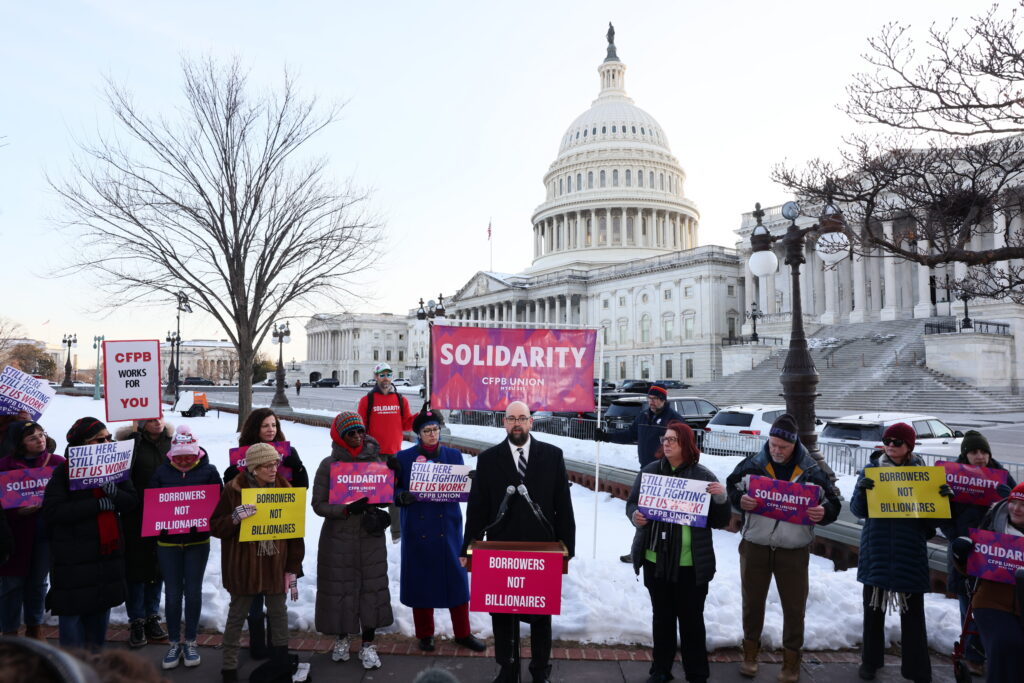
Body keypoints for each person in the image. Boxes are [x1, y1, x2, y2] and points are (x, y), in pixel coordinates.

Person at [462, 401, 576, 683]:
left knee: (541, 614)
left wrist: (568, 547)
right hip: (501, 548)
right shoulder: (488, 459)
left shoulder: (552, 456)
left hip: (543, 550)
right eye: (512, 418)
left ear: (531, 422)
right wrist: (468, 547)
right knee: (502, 614)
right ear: (504, 422)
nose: (517, 423)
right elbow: (477, 507)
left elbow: (563, 504)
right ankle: (507, 668)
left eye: (522, 418)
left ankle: (540, 671)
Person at [725, 413, 842, 682]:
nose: (776, 451)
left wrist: (822, 513)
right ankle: (750, 654)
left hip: (794, 548)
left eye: (782, 447)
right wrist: (739, 500)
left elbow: (833, 503)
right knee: (752, 602)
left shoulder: (812, 470)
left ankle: (791, 661)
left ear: (794, 445)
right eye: (773, 445)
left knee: (794, 606)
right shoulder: (753, 464)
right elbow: (731, 487)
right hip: (756, 545)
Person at [626, 420, 731, 683]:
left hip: (691, 564)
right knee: (662, 620)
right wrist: (635, 516)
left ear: (686, 444)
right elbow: (632, 504)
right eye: (665, 439)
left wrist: (720, 498)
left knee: (691, 622)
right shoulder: (650, 472)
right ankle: (660, 670)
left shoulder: (703, 476)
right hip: (655, 559)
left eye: (673, 439)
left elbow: (719, 521)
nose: (667, 443)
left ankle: (696, 674)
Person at [850, 422, 954, 682]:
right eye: (888, 440)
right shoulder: (872, 470)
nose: (891, 446)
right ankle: (870, 662)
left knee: (913, 615)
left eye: (897, 442)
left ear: (909, 446)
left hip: (910, 550)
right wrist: (863, 491)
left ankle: (917, 669)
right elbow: (858, 510)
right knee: (873, 612)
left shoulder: (923, 475)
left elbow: (931, 524)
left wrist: (944, 501)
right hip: (878, 548)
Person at [210, 442, 304, 683]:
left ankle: (281, 662)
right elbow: (215, 526)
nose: (274, 469)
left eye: (275, 463)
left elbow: (294, 534)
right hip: (243, 567)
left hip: (275, 564)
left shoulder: (286, 489)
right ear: (253, 468)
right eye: (267, 465)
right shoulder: (234, 490)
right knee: (237, 615)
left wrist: (293, 569)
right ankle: (229, 667)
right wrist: (234, 518)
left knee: (278, 614)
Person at [43, 417, 139, 651]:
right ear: (83, 444)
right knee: (72, 617)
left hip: (107, 554)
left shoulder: (117, 469)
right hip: (74, 557)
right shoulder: (64, 472)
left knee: (99, 614)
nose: (108, 442)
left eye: (109, 438)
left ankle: (95, 665)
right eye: (100, 439)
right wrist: (96, 506)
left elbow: (132, 503)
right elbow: (54, 511)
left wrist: (114, 493)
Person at [395, 408, 486, 653]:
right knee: (421, 581)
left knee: (456, 580)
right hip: (418, 527)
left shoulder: (454, 456)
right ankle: (425, 634)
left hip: (448, 526)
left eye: (436, 429)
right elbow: (391, 489)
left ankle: (463, 633)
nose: (432, 434)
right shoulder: (403, 458)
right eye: (427, 431)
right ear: (418, 434)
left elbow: (462, 487)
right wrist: (400, 496)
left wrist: (472, 482)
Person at [311, 411, 395, 671]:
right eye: (351, 433)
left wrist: (390, 498)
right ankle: (342, 638)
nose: (358, 436)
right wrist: (346, 510)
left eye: (360, 431)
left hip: (369, 536)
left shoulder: (378, 461)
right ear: (340, 436)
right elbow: (318, 504)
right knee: (341, 590)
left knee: (371, 589)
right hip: (339, 538)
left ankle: (368, 643)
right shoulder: (329, 465)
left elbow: (386, 495)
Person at [223, 408, 308, 660]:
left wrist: (298, 467)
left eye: (273, 425)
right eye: (264, 426)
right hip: (249, 543)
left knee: (276, 601)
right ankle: (257, 645)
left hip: (278, 535)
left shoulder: (288, 453)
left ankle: (277, 650)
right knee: (252, 602)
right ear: (254, 429)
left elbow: (299, 494)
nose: (270, 429)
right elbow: (229, 500)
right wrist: (228, 477)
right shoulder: (242, 457)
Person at [939, 429, 1015, 677]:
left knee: (993, 608)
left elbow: (1018, 512)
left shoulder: (1001, 477)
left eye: (983, 451)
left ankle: (991, 653)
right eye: (974, 452)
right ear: (965, 454)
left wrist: (1010, 499)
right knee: (967, 604)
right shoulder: (952, 476)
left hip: (995, 554)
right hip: (965, 551)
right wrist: (954, 534)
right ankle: (972, 655)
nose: (979, 456)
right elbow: (941, 515)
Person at [148, 425, 223, 670]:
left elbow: (218, 503)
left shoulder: (210, 471)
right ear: (171, 454)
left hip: (197, 542)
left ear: (197, 453)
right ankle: (173, 642)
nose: (183, 461)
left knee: (192, 591)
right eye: (179, 456)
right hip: (167, 543)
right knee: (171, 593)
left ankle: (190, 641)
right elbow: (151, 505)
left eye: (188, 456)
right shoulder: (160, 472)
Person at [595, 385, 684, 563]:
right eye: (649, 399)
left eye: (655, 399)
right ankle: (638, 552)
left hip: (667, 474)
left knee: (663, 517)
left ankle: (664, 553)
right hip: (646, 471)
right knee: (641, 513)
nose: (651, 402)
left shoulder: (674, 420)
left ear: (663, 400)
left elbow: (684, 445)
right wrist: (607, 436)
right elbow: (630, 435)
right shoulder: (643, 416)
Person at [950, 481, 1024, 683]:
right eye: (1013, 502)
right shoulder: (992, 526)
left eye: (1023, 505)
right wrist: (959, 555)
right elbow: (970, 569)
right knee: (1006, 644)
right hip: (992, 601)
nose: (1016, 509)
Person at [0, 420, 65, 639]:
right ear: (20, 443)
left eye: (41, 434)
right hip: (13, 536)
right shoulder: (5, 466)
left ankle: (34, 627)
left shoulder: (57, 462)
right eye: (32, 437)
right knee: (12, 584)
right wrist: (16, 512)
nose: (40, 439)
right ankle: (9, 631)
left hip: (44, 535)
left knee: (38, 583)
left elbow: (66, 496)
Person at [115, 417, 172, 648]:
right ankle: (136, 619)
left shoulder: (173, 443)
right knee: (136, 568)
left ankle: (152, 616)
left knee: (157, 567)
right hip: (136, 514)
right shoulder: (129, 443)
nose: (156, 421)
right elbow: (122, 473)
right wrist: (136, 439)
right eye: (149, 418)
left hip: (165, 513)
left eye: (159, 416)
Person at [357, 362, 413, 543]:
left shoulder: (400, 400)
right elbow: (360, 428)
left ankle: (397, 534)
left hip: (395, 454)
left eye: (388, 374)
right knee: (375, 494)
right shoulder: (368, 400)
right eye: (382, 375)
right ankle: (372, 528)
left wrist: (421, 417)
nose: (386, 378)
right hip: (374, 455)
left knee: (395, 493)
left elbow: (406, 424)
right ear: (375, 377)